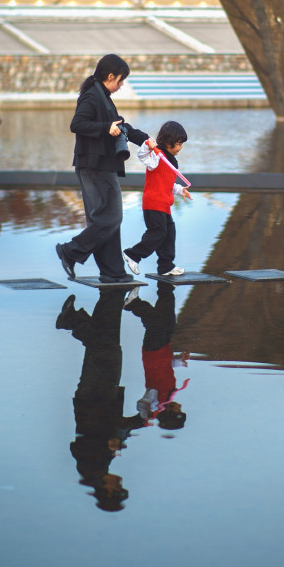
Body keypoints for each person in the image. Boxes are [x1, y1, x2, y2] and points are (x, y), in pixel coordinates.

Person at [55, 54, 150, 284]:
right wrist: (106, 128)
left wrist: (145, 140)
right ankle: (71, 250)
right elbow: (77, 124)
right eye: (120, 80)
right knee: (111, 218)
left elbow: (120, 125)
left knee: (105, 219)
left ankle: (113, 272)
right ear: (110, 76)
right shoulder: (92, 96)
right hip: (94, 167)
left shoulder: (103, 96)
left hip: (100, 166)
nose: (121, 85)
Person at [55, 287, 145, 511]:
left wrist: (108, 443)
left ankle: (72, 321)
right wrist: (138, 422)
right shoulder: (101, 468)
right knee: (107, 344)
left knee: (107, 350)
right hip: (102, 399)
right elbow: (115, 432)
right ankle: (107, 300)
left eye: (118, 488)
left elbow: (80, 445)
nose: (120, 481)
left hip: (94, 399)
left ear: (107, 490)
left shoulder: (90, 470)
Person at [122, 120, 192, 278]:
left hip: (164, 204)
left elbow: (167, 182)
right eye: (179, 143)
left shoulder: (170, 161)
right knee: (158, 232)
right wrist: (148, 145)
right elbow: (142, 156)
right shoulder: (156, 156)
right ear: (168, 142)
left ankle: (166, 266)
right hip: (153, 203)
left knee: (169, 233)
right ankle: (133, 255)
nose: (181, 147)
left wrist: (180, 190)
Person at [123, 280, 189, 430]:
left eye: (179, 410)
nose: (180, 407)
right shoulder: (171, 393)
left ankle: (132, 304)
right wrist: (178, 361)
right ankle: (165, 288)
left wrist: (146, 415)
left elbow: (141, 404)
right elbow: (167, 368)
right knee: (168, 322)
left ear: (170, 412)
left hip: (153, 352)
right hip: (164, 350)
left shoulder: (156, 401)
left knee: (157, 324)